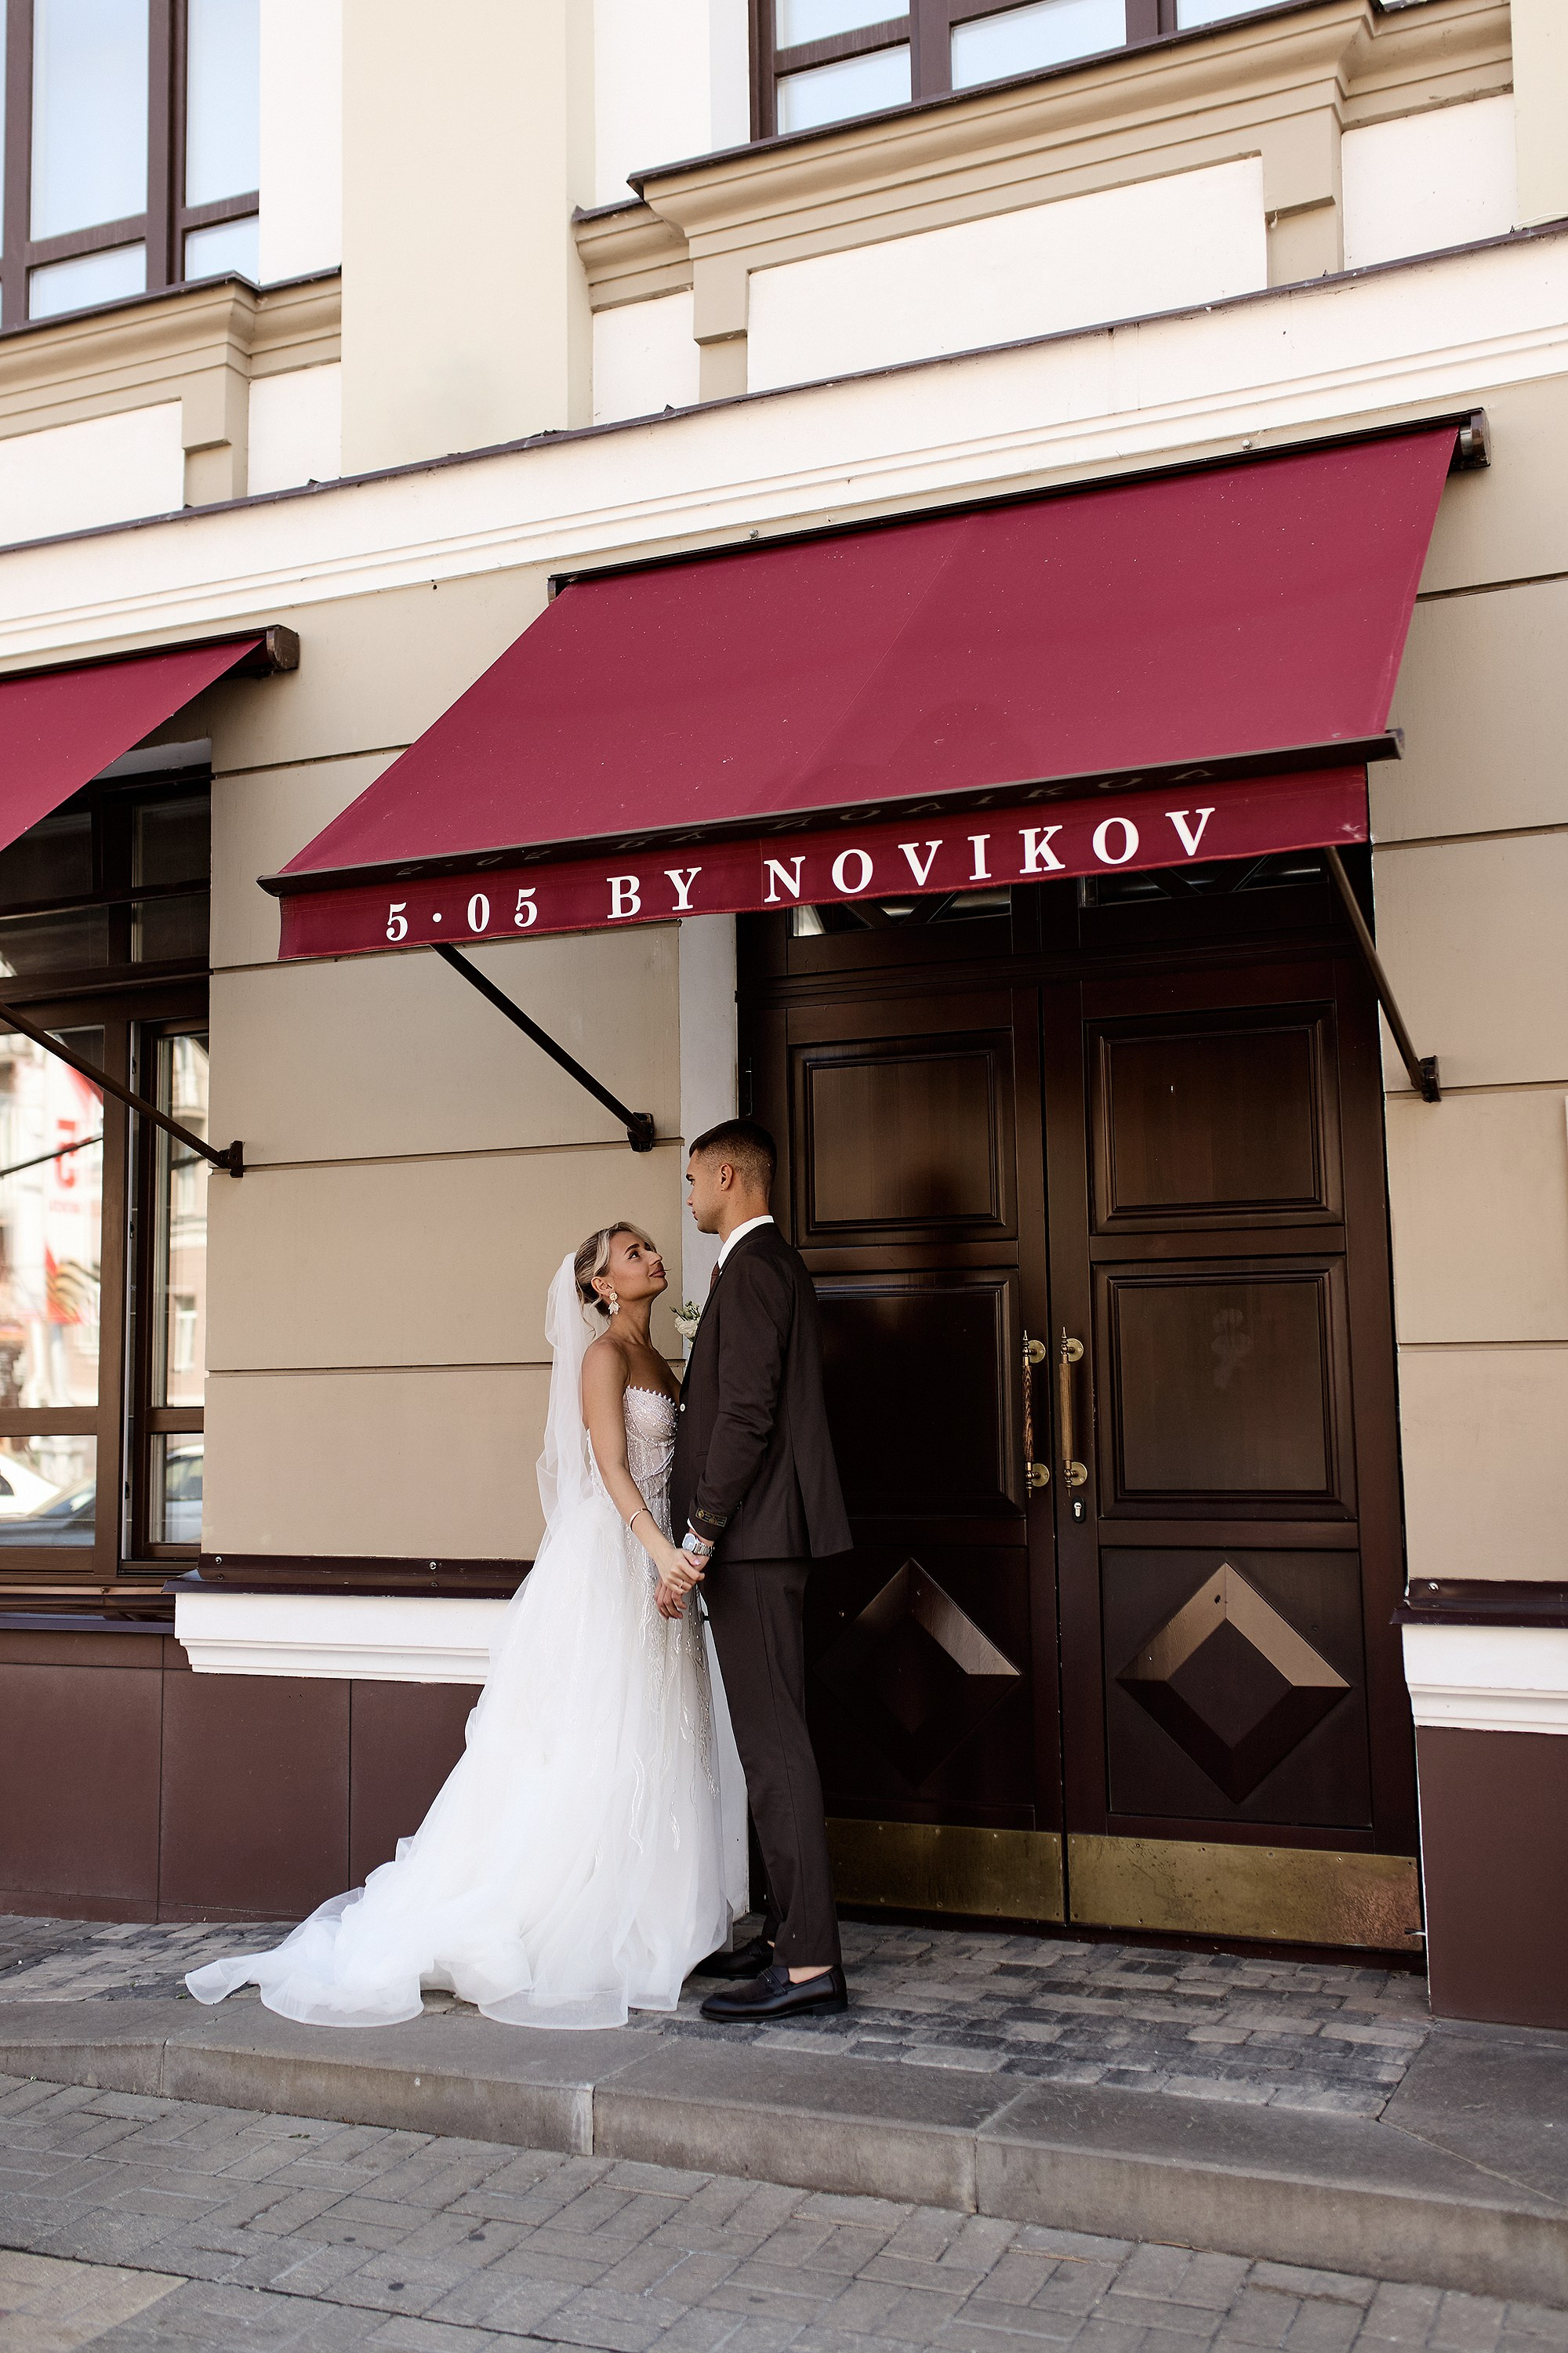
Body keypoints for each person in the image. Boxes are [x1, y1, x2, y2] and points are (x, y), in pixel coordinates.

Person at [183, 1225, 748, 2030]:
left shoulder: (660, 1357)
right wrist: (659, 1551)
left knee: (660, 1730)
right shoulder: (604, 1357)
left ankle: (665, 1920)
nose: (652, 1256)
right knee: (599, 1733)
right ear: (600, 1285)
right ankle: (588, 1920)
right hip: (619, 1556)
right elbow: (610, 1467)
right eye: (631, 1253)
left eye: (650, 1247)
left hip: (662, 1563)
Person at [663, 1117, 854, 2023]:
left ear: (728, 1176)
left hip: (754, 1539)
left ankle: (809, 1963)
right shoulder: (762, 1267)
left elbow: (743, 1416)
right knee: (772, 1744)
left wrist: (700, 1535)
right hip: (765, 1537)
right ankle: (785, 1935)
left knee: (776, 1750)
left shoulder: (753, 1270)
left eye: (692, 1178)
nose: (688, 1195)